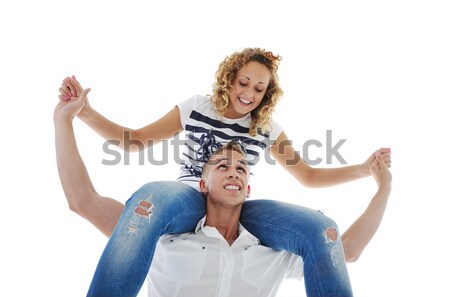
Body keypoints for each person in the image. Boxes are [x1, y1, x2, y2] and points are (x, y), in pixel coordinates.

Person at [56, 48, 391, 297]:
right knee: (148, 203)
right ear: (230, 78)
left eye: (259, 89)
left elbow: (309, 177)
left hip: (238, 204)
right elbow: (135, 141)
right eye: (244, 82)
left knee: (321, 230)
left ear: (267, 94)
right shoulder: (198, 108)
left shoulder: (265, 128)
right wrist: (83, 113)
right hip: (188, 196)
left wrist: (365, 171)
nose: (249, 94)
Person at [145, 141, 392, 297]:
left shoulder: (272, 253)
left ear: (248, 190)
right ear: (202, 185)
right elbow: (124, 229)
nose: (234, 173)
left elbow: (346, 250)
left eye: (241, 169)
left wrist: (384, 189)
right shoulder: (166, 241)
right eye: (223, 167)